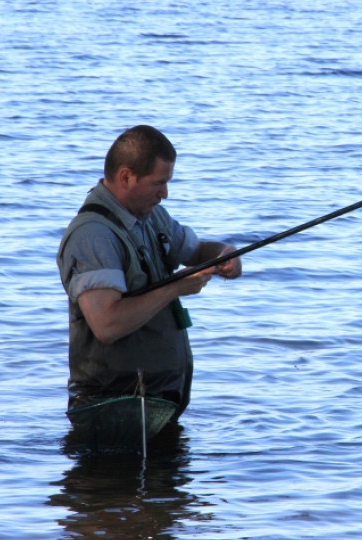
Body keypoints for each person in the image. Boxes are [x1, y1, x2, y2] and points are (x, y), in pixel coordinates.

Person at [57, 125, 241, 427]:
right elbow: (107, 324)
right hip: (113, 411)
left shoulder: (151, 216)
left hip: (156, 408)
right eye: (159, 183)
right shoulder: (93, 237)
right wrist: (175, 288)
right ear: (126, 177)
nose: (165, 194)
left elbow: (198, 251)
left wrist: (226, 255)